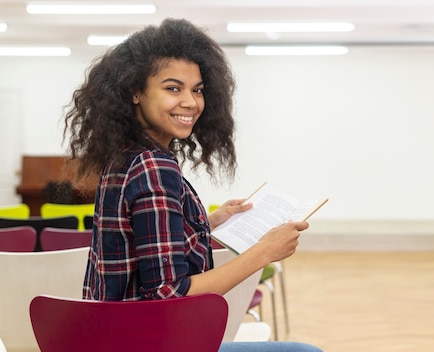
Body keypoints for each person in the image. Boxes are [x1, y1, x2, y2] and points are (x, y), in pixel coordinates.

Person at [63, 18, 322, 352]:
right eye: (173, 88)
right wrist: (263, 253)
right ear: (135, 92)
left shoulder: (126, 157)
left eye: (197, 90)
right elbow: (168, 293)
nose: (191, 102)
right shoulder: (153, 166)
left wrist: (206, 224)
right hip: (149, 342)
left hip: (116, 338)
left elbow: (142, 242)